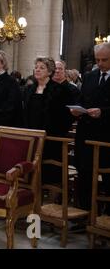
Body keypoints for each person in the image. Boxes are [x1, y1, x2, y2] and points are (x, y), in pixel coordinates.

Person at [23, 57, 74, 184]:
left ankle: (50, 195)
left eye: (42, 68)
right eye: (36, 67)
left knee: (49, 173)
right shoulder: (29, 89)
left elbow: (66, 116)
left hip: (51, 137)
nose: (37, 70)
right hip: (32, 136)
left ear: (50, 71)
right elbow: (25, 112)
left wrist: (54, 131)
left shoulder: (60, 90)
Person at [71, 42, 110, 211]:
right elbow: (81, 99)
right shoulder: (89, 76)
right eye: (97, 59)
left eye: (105, 60)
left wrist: (103, 112)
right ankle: (84, 214)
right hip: (86, 135)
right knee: (85, 176)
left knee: (108, 179)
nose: (100, 63)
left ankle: (105, 219)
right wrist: (76, 109)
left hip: (106, 137)